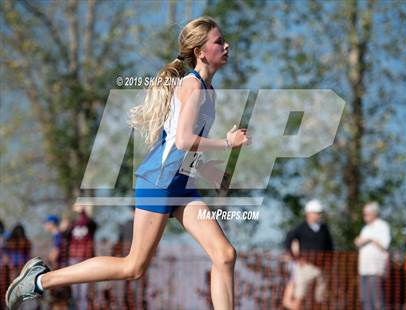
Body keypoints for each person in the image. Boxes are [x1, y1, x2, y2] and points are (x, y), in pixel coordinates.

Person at [6, 16, 250, 310]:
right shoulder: (192, 87)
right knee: (133, 267)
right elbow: (184, 139)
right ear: (200, 52)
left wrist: (208, 169)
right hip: (158, 181)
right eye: (218, 41)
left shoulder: (209, 92)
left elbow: (179, 144)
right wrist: (226, 143)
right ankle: (39, 281)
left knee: (224, 255)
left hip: (181, 184)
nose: (226, 45)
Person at [282, 199, 333, 310]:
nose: (319, 215)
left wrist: (329, 263)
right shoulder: (301, 228)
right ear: (309, 213)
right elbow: (288, 240)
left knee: (321, 298)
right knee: (299, 296)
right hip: (305, 267)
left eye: (320, 213)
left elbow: (330, 247)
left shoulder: (324, 228)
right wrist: (296, 258)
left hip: (321, 268)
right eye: (317, 213)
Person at [354, 202, 391, 310]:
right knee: (365, 300)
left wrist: (370, 239)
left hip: (376, 270)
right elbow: (358, 242)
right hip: (363, 269)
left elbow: (385, 245)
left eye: (366, 214)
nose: (364, 217)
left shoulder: (383, 226)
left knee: (377, 300)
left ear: (374, 214)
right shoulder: (365, 228)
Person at [43, 215, 72, 309]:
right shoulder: (58, 235)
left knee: (58, 299)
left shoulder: (57, 235)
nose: (45, 225)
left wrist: (48, 261)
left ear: (52, 223)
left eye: (47, 223)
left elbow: (55, 253)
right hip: (60, 269)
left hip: (58, 269)